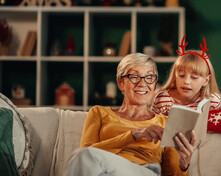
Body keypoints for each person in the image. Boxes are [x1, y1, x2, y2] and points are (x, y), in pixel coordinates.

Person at [63, 53, 196, 176]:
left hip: (145, 170)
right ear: (120, 83)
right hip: (104, 170)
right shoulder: (99, 112)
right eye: (134, 77)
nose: (142, 83)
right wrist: (133, 135)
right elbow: (87, 154)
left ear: (155, 84)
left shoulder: (166, 122)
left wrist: (184, 164)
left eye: (149, 77)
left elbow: (171, 173)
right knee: (84, 156)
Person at [152, 36, 221, 116]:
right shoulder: (163, 100)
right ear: (175, 76)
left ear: (206, 81)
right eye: (181, 75)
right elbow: (154, 125)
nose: (186, 81)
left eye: (194, 77)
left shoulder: (212, 101)